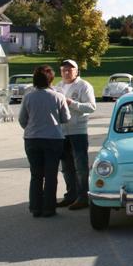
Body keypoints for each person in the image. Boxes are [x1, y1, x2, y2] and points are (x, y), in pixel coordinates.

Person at [18, 66, 70, 218]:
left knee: (36, 174)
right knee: (50, 174)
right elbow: (66, 118)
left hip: (32, 139)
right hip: (53, 139)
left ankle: (35, 207)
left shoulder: (28, 97)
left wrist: (31, 128)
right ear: (51, 80)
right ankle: (48, 208)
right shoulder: (57, 96)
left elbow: (22, 120)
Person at [56, 59, 97, 210]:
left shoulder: (84, 86)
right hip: (62, 131)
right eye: (64, 69)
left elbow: (92, 107)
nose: (67, 72)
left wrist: (71, 103)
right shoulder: (58, 86)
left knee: (80, 166)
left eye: (70, 69)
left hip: (78, 131)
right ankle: (71, 195)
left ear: (77, 71)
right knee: (66, 166)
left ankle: (83, 196)